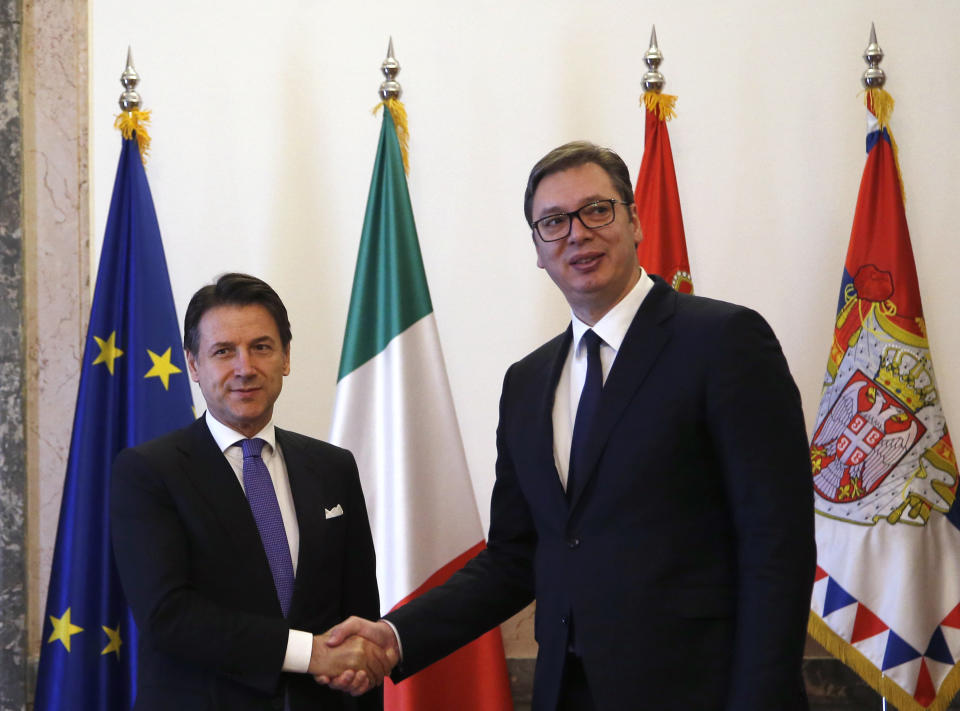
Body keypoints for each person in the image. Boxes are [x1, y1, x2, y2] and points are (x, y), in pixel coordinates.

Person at [323, 141, 817, 710]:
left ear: (634, 221)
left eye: (597, 210)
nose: (577, 233)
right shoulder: (527, 382)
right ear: (537, 249)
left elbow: (776, 544)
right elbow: (514, 558)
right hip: (565, 692)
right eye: (553, 222)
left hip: (702, 689)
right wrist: (397, 635)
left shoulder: (724, 341)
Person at [111, 273, 392, 711]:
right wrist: (308, 652)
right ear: (193, 365)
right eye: (223, 351)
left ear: (285, 357)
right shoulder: (148, 471)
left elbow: (357, 612)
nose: (245, 367)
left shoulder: (332, 467)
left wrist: (359, 668)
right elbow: (167, 616)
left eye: (261, 347)